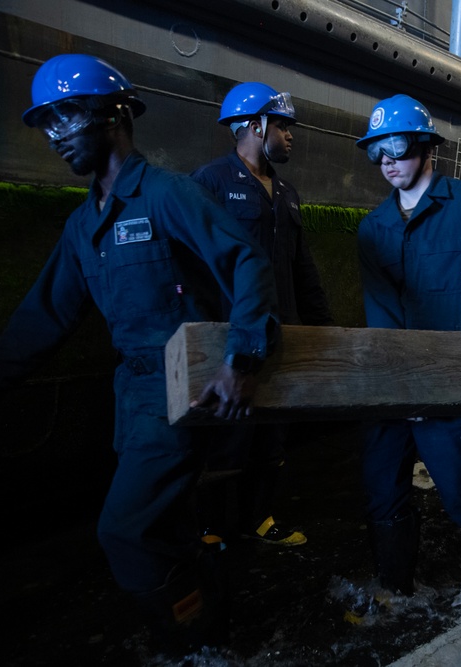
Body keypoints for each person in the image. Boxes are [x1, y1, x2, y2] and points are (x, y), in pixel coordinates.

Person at [0, 54, 280, 653]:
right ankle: (215, 628)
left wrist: (242, 360)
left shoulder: (167, 195)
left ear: (111, 117)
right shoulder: (84, 224)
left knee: (124, 531)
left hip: (184, 395)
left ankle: (186, 639)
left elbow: (249, 261)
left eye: (66, 120)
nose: (55, 139)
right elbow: (43, 317)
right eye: (48, 126)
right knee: (165, 529)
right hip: (133, 401)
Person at [354, 95, 461, 596]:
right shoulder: (373, 228)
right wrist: (389, 386)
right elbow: (381, 315)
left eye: (397, 147)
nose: (387, 161)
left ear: (427, 146)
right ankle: (395, 588)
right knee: (382, 485)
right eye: (377, 151)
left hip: (456, 379)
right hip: (395, 382)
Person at [192, 82, 332, 547]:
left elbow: (301, 266)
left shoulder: (288, 192)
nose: (291, 135)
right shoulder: (210, 182)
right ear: (255, 125)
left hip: (283, 334)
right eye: (284, 126)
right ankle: (212, 528)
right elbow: (193, 262)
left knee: (272, 437)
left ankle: (260, 519)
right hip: (231, 336)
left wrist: (326, 331)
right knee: (227, 433)